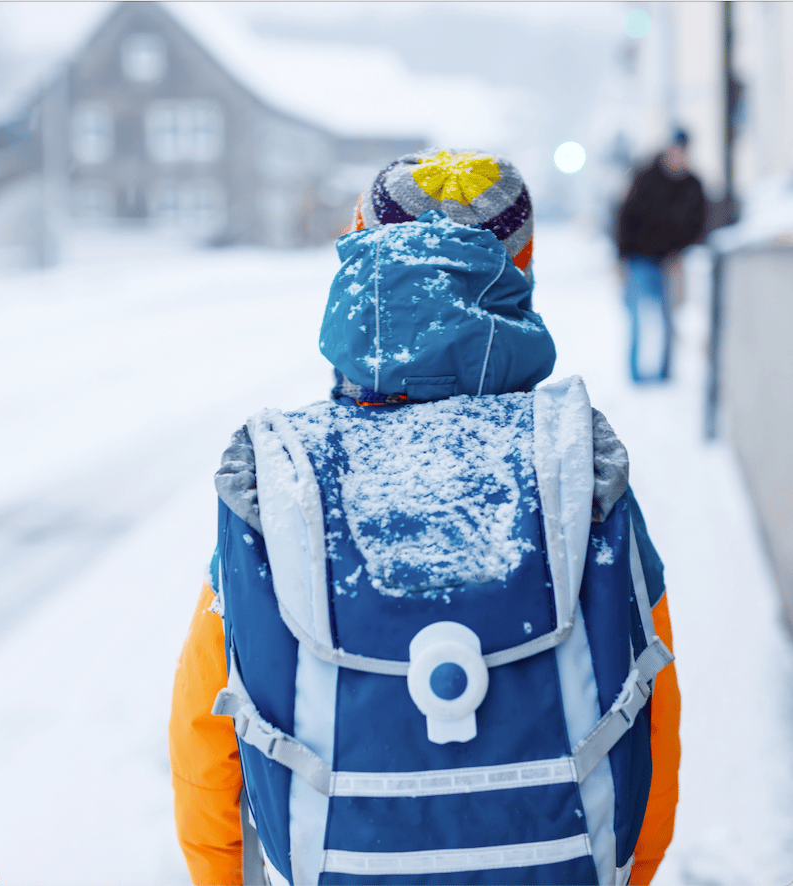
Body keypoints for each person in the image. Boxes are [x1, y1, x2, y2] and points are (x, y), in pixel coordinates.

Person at [170, 148, 681, 886]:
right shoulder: (573, 460)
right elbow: (649, 704)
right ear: (516, 277)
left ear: (361, 263)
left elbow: (205, 732)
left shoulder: (288, 479)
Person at [616, 128, 707, 382]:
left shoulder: (693, 185)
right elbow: (625, 217)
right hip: (639, 259)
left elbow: (699, 224)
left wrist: (680, 252)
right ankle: (635, 375)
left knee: (669, 320)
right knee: (637, 320)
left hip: (670, 262)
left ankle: (665, 374)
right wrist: (621, 257)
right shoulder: (645, 177)